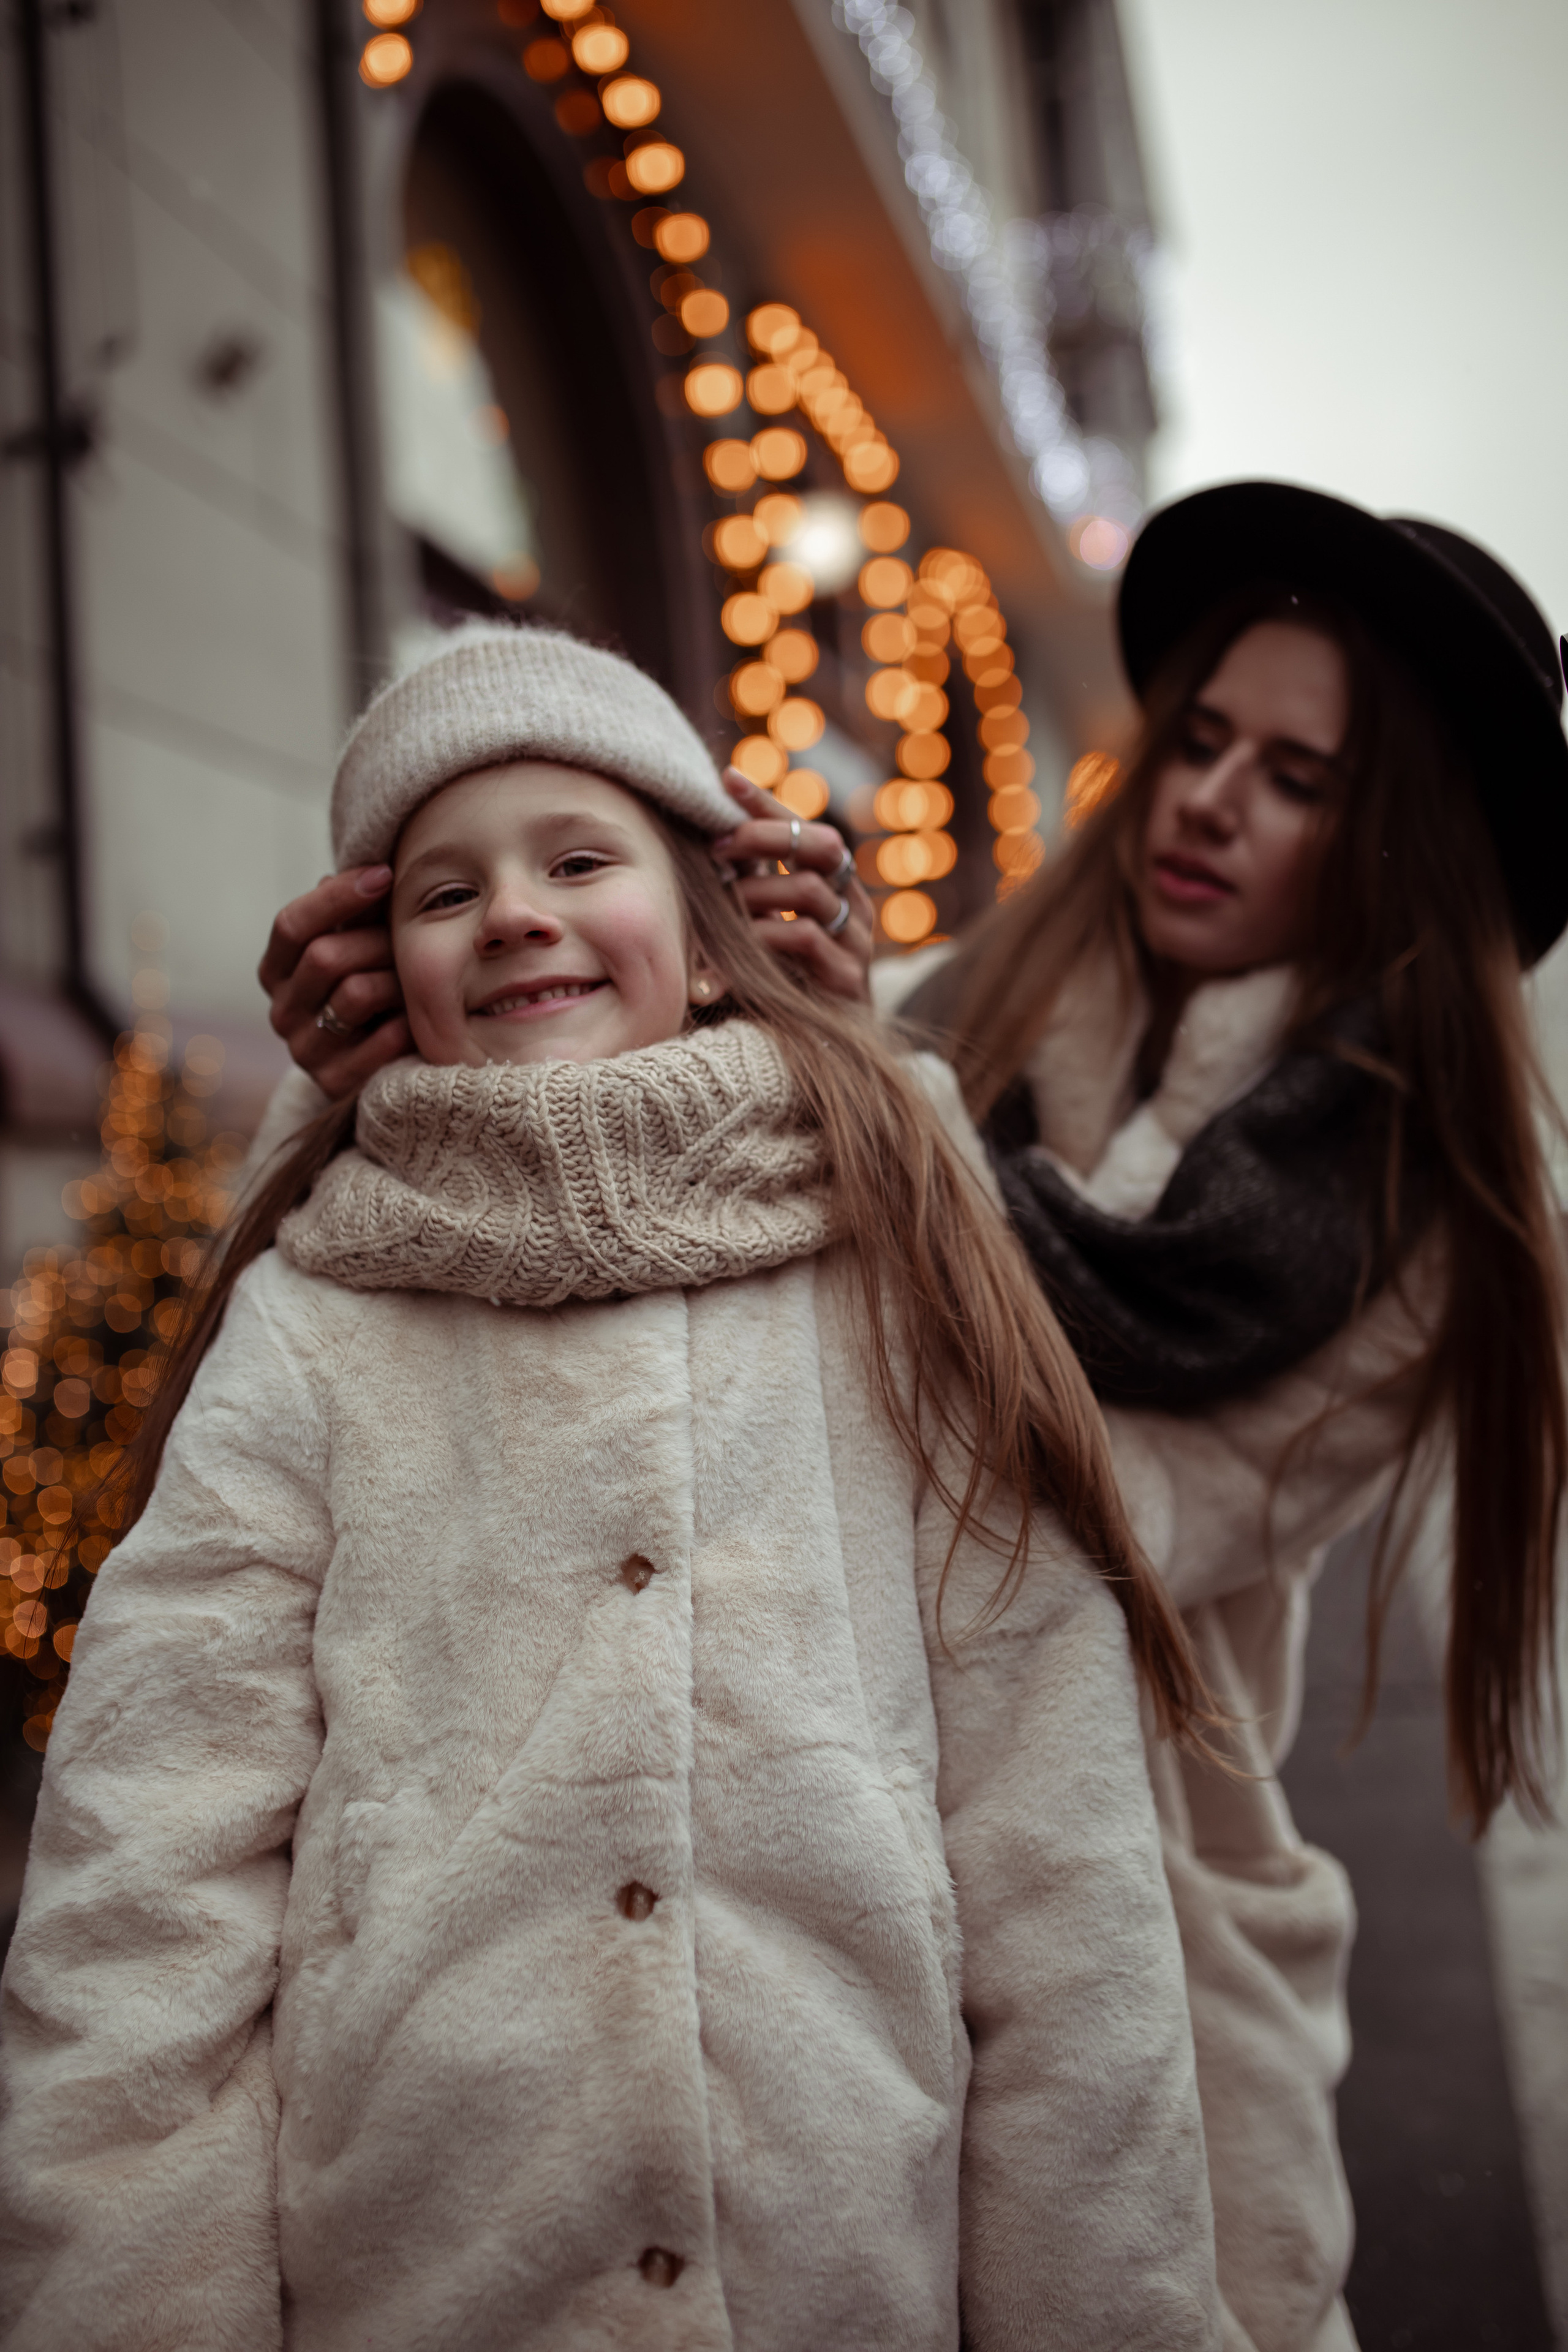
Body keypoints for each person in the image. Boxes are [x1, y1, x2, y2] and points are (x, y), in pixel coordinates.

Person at [251, 484, 1568, 2351]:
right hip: (823, 1828)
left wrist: (874, 1100)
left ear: (1404, 839)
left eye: (1302, 778)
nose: (1209, 801)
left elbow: (1075, 1506)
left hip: (1136, 1893)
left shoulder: (1418, 1223)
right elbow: (688, 1247)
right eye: (1200, 741)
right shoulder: (994, 1001)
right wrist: (393, 1073)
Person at [0, 625, 1222, 2350]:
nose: (515, 911)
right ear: (375, 987)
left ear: (716, 944)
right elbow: (146, 1877)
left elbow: (1061, 1858)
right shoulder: (315, 1324)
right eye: (444, 894)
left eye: (582, 860)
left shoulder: (892, 1278)